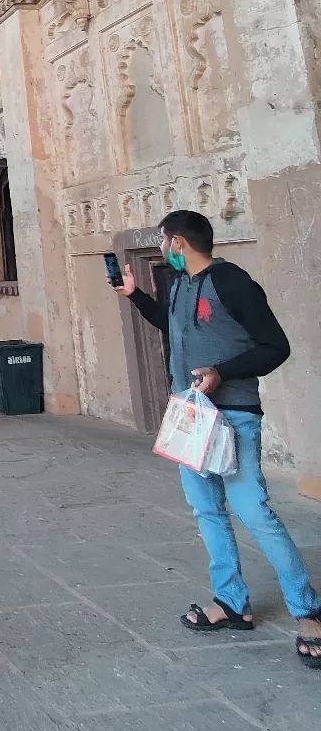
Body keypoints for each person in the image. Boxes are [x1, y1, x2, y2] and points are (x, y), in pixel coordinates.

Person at [116, 209, 321, 664]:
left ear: (178, 243)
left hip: (232, 417)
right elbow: (178, 330)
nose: (164, 248)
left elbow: (275, 347)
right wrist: (135, 297)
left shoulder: (233, 282)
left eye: (165, 241)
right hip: (190, 418)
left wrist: (221, 373)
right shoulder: (177, 285)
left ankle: (309, 610)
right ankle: (231, 603)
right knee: (207, 510)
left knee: (253, 510)